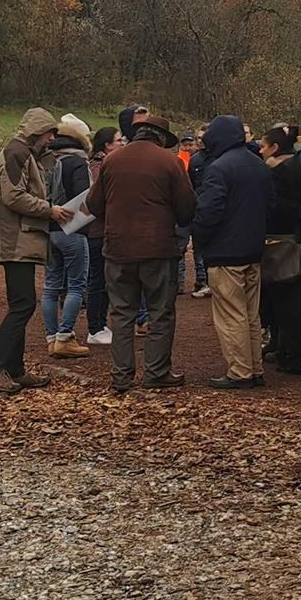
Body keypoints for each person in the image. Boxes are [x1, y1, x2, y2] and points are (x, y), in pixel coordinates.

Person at [86, 111, 194, 394]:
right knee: (160, 312)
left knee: (121, 314)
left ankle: (121, 377)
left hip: (118, 249)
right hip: (158, 249)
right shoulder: (170, 163)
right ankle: (156, 372)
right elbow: (186, 209)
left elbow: (93, 205)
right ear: (161, 138)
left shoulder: (111, 160)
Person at [0, 108, 72, 395]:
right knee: (23, 304)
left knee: (22, 303)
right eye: (49, 134)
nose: (51, 139)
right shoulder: (16, 152)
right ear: (38, 131)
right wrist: (49, 210)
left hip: (20, 237)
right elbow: (13, 196)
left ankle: (14, 369)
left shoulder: (23, 152)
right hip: (15, 238)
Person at [191, 115, 270, 391]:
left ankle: (239, 372)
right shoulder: (259, 165)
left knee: (230, 315)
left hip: (225, 252)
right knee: (251, 314)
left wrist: (199, 238)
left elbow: (209, 211)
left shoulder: (218, 168)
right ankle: (255, 368)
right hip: (253, 249)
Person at [262, 126, 301, 374]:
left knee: (286, 300)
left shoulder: (276, 170)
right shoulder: (281, 171)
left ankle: (284, 348)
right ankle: (291, 353)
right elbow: (275, 204)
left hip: (288, 243)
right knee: (292, 301)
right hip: (289, 244)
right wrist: (299, 212)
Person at [43, 115, 96, 357]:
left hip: (48, 228)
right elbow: (86, 198)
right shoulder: (77, 164)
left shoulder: (46, 160)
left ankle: (51, 336)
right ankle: (65, 336)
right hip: (73, 230)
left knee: (51, 286)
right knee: (76, 285)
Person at [81, 126, 118, 344]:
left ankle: (100, 324)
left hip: (103, 229)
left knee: (103, 280)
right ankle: (95, 328)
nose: (122, 142)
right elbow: (99, 195)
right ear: (107, 144)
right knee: (98, 280)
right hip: (97, 231)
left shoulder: (102, 164)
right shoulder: (98, 166)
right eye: (117, 140)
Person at [183, 130, 212, 297]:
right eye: (199, 138)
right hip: (199, 208)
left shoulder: (220, 158)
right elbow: (190, 185)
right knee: (199, 248)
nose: (201, 141)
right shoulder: (195, 160)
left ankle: (212, 281)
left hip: (218, 208)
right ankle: (202, 280)